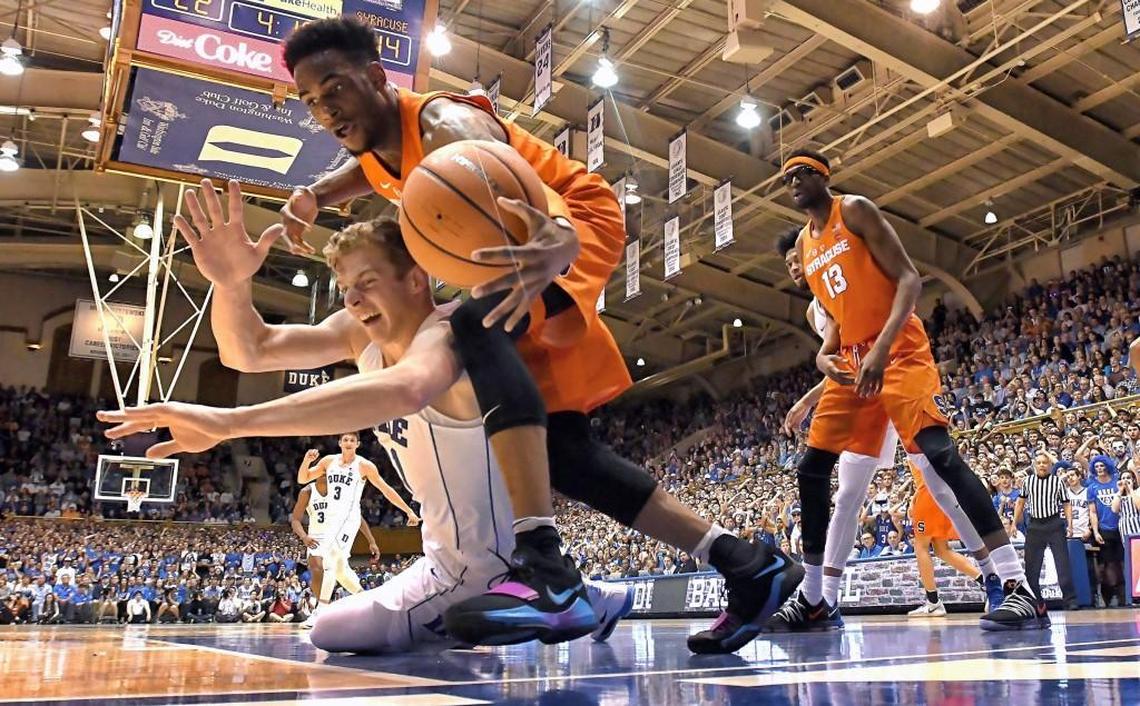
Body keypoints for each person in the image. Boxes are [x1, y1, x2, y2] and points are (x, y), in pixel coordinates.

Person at [273, 16, 795, 650]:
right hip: (522, 241)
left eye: (335, 90)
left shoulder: (443, 123)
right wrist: (315, 196)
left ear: (378, 78)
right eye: (311, 101)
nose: (325, 110)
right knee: (566, 454)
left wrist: (558, 234)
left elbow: (511, 169)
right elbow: (373, 171)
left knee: (469, 324)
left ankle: (547, 569)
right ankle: (747, 565)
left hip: (565, 222)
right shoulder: (380, 146)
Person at [99, 213, 795, 655]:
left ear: (416, 278)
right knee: (569, 461)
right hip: (446, 554)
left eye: (367, 283)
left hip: (484, 564)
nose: (353, 301)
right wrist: (231, 283)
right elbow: (249, 351)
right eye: (344, 288)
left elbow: (403, 389)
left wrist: (227, 423)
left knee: (332, 630)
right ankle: (598, 594)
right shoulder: (358, 331)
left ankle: (522, 599)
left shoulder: (449, 335)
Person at [783, 148, 1043, 631]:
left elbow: (908, 278)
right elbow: (837, 323)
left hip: (896, 352)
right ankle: (816, 595)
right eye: (786, 177)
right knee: (814, 469)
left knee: (939, 460)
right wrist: (823, 357)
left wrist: (880, 350)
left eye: (801, 173)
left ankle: (1012, 583)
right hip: (852, 365)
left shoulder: (855, 210)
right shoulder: (804, 245)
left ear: (824, 177)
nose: (793, 181)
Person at [768, 230, 1003, 632]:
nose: (793, 266)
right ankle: (827, 599)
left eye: (797, 257)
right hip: (862, 393)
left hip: (895, 376)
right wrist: (809, 399)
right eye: (787, 263)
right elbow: (846, 360)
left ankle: (993, 576)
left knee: (941, 487)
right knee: (846, 496)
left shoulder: (851, 278)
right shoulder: (814, 311)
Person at [290, 435, 405, 628]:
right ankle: (367, 603)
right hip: (323, 530)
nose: (349, 443)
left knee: (330, 565)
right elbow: (302, 483)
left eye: (353, 440)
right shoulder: (318, 477)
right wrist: (307, 460)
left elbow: (375, 499)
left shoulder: (357, 472)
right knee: (336, 570)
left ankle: (321, 610)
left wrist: (373, 538)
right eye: (345, 440)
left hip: (344, 525)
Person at [1015, 452, 1076, 611]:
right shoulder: (1028, 481)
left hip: (1054, 524)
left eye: (1045, 463)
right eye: (1039, 462)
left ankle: (1070, 600)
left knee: (1062, 563)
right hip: (1035, 525)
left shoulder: (1057, 481)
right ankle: (1037, 600)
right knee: (1032, 566)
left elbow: (1066, 504)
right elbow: (1020, 503)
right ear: (1035, 465)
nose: (1042, 465)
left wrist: (1070, 524)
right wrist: (1014, 524)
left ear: (1049, 465)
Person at [1087, 455, 1125, 606]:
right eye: (1096, 467)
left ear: (1107, 466)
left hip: (1121, 527)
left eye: (1102, 466)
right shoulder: (1092, 487)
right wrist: (1095, 532)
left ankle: (1125, 596)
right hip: (1104, 529)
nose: (1099, 469)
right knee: (1108, 564)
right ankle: (1109, 596)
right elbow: (1093, 512)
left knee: (1122, 563)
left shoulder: (1117, 482)